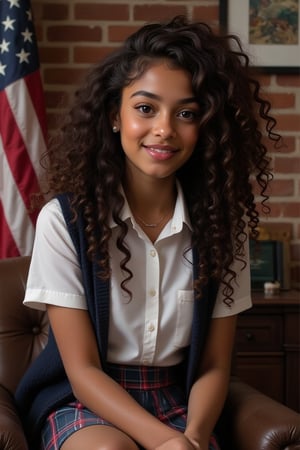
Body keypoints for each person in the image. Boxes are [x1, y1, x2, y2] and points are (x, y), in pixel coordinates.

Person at [15, 15, 280, 450]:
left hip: (178, 400)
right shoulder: (64, 220)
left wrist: (192, 438)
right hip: (85, 398)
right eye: (145, 108)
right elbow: (81, 371)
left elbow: (214, 365)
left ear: (204, 127)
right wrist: (163, 442)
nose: (164, 129)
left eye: (187, 113)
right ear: (114, 116)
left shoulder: (222, 227)